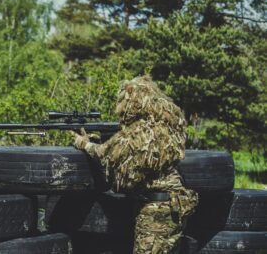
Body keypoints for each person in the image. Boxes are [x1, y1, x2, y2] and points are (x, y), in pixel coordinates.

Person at [72, 75, 198, 254]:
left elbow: (106, 154)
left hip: (155, 209)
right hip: (177, 203)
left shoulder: (138, 133)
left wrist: (84, 144)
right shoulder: (168, 126)